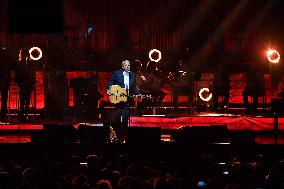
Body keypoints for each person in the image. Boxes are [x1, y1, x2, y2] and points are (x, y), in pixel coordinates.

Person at [107, 60, 140, 143]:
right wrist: (109, 89)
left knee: (125, 117)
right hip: (118, 97)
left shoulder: (133, 75)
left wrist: (139, 94)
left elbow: (134, 87)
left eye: (129, 65)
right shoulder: (116, 73)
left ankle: (124, 135)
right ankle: (116, 135)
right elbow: (111, 82)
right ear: (122, 67)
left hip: (127, 99)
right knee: (117, 116)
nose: (128, 67)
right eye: (126, 65)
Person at [15, 48, 36, 121]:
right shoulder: (19, 63)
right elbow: (17, 75)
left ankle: (24, 114)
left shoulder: (29, 63)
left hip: (28, 83)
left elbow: (33, 73)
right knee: (23, 99)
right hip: (23, 83)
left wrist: (32, 82)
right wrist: (21, 81)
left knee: (26, 99)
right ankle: (22, 115)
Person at [0, 47, 11, 122]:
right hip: (4, 81)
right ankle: (3, 116)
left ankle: (3, 116)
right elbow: (8, 72)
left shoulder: (5, 62)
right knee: (4, 100)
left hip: (4, 81)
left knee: (4, 100)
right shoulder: (6, 62)